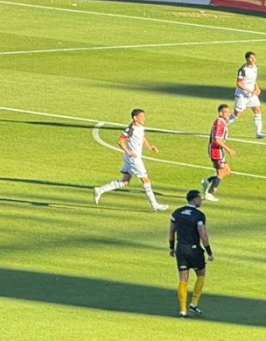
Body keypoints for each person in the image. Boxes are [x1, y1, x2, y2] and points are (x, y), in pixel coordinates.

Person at [93, 109, 168, 212]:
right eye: (141, 117)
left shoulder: (140, 127)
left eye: (144, 116)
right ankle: (154, 205)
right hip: (134, 159)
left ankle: (100, 190)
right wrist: (128, 151)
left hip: (131, 158)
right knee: (146, 180)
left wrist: (150, 147)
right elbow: (120, 141)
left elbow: (142, 137)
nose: (144, 119)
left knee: (125, 181)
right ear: (135, 118)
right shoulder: (130, 129)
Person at [169, 189, 213, 318]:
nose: (201, 200)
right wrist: (209, 252)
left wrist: (171, 247)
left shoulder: (176, 213)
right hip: (194, 249)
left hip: (180, 249)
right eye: (199, 198)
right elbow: (203, 235)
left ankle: (182, 310)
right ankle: (193, 303)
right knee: (201, 274)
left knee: (183, 279)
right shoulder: (199, 215)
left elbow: (171, 232)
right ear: (194, 199)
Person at [200, 104, 235, 202]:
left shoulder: (222, 122)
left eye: (229, 112)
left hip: (219, 150)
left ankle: (207, 181)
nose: (229, 114)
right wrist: (229, 149)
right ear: (220, 113)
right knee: (221, 172)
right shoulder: (219, 123)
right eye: (227, 112)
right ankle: (209, 193)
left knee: (227, 171)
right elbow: (217, 140)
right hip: (216, 151)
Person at [228, 50, 266, 139]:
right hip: (242, 95)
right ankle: (221, 126)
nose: (253, 59)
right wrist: (250, 91)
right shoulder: (242, 70)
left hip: (252, 94)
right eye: (251, 58)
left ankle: (258, 132)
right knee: (237, 114)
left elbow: (253, 80)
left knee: (257, 110)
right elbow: (239, 83)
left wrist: (257, 88)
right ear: (246, 59)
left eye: (254, 58)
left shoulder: (255, 68)